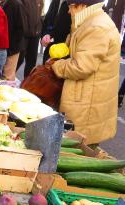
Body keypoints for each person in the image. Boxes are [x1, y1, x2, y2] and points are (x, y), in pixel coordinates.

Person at [51, 0, 120, 144]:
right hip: (87, 97)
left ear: (82, 5)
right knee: (78, 146)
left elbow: (81, 67)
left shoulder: (96, 27)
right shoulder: (91, 21)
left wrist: (56, 66)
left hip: (88, 102)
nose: (69, 11)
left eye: (70, 7)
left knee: (80, 148)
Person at [16, 0, 43, 78]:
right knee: (18, 60)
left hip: (35, 35)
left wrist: (40, 31)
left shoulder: (40, 1)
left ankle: (27, 85)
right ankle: (6, 82)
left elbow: (39, 15)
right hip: (23, 35)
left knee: (31, 63)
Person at [1, 0, 25, 80]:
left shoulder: (15, 4)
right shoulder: (5, 4)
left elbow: (21, 28)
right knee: (6, 75)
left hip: (12, 48)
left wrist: (11, 46)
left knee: (8, 76)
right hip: (7, 46)